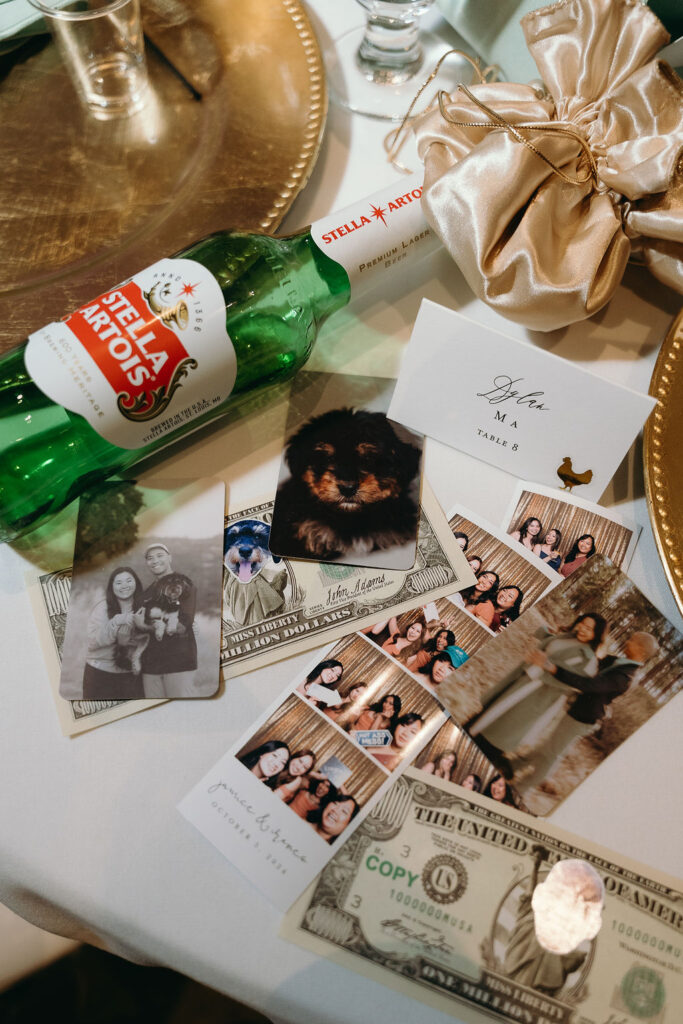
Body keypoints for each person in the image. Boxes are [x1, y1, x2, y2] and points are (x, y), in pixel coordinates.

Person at [514, 631, 659, 798]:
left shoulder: (626, 677)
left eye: (632, 640)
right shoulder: (618, 662)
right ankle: (514, 765)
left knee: (551, 753)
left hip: (584, 718)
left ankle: (522, 788)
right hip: (578, 710)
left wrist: (552, 668)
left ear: (640, 650)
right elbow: (592, 662)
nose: (627, 641)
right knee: (551, 745)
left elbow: (588, 685)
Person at [466, 614, 607, 778]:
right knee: (489, 715)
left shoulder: (588, 659)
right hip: (521, 682)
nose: (582, 628)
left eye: (589, 628)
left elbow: (576, 684)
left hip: (539, 697)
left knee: (503, 729)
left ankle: (478, 763)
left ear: (596, 634)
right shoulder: (568, 637)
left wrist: (545, 667)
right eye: (582, 623)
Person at [501, 846, 590, 995]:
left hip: (542, 963)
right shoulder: (533, 910)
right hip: (524, 950)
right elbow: (530, 894)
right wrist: (536, 867)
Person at [138, 543, 197, 698]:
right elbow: (139, 626)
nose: (154, 560)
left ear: (170, 557)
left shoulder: (184, 584)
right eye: (150, 558)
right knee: (157, 714)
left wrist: (147, 626)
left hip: (179, 662)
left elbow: (182, 626)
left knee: (184, 712)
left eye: (160, 555)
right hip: (151, 665)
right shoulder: (146, 594)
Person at [82, 566, 146, 699]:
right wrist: (117, 621)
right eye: (119, 582)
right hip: (100, 674)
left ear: (136, 582)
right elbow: (91, 643)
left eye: (129, 581)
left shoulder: (144, 607)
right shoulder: (102, 608)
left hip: (132, 675)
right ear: (112, 587)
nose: (124, 586)